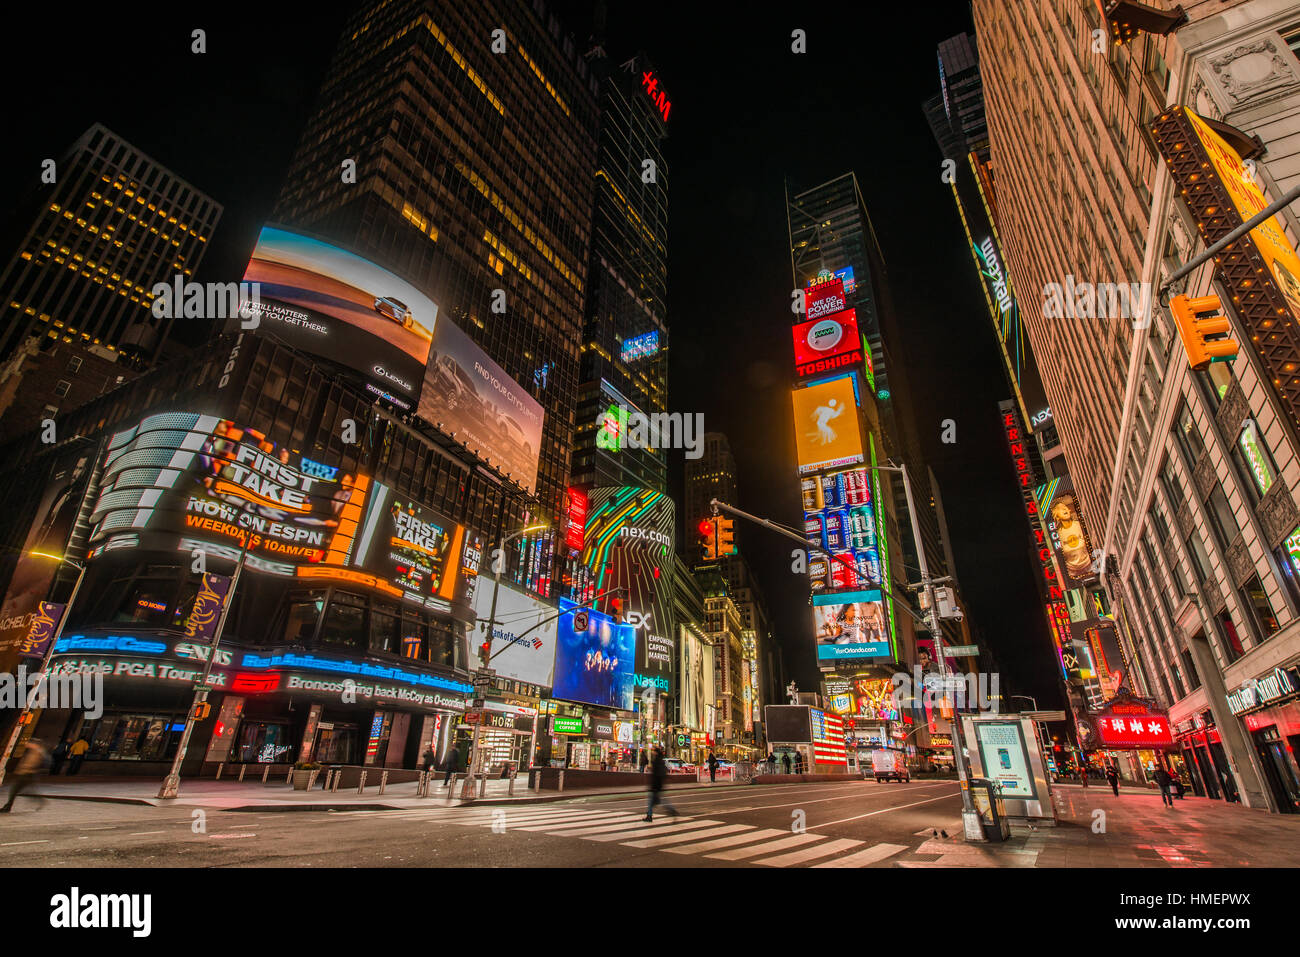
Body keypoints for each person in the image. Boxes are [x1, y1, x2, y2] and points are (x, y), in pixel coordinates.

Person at [2, 739, 50, 813]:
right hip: (26, 774)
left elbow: (33, 764)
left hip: (28, 774)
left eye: (29, 743)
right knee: (23, 790)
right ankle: (40, 801)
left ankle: (8, 807)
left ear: (34, 744)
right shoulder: (32, 751)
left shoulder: (38, 752)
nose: (26, 744)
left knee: (15, 790)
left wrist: (25, 770)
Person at [644, 746, 679, 822]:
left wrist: (654, 785)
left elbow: (657, 774)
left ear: (656, 752)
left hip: (656, 786)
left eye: (654, 751)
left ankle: (650, 816)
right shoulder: (661, 760)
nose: (652, 752)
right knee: (657, 801)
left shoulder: (657, 761)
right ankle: (650, 815)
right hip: (658, 785)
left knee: (655, 801)